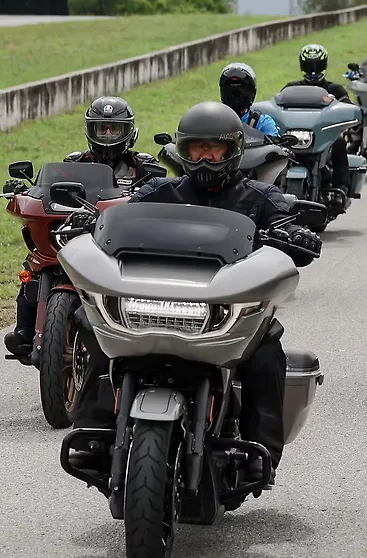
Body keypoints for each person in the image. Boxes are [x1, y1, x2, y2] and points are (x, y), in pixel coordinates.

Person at [66, 102, 322, 488]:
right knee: (92, 323)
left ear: (232, 151)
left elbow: (292, 228)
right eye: (195, 149)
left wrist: (298, 234)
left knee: (267, 344)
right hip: (152, 304)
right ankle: (92, 428)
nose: (205, 158)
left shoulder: (259, 198)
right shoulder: (159, 191)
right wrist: (95, 221)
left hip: (221, 310)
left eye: (214, 149)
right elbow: (118, 222)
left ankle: (262, 450)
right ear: (182, 152)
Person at [1, 96, 158, 358]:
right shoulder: (74, 163)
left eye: (114, 129)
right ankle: (24, 330)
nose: (107, 135)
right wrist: (25, 189)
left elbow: (160, 192)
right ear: (90, 130)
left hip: (121, 240)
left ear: (129, 131)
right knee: (34, 266)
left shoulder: (143, 166)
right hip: (78, 232)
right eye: (101, 129)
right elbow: (50, 190)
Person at [283, 43, 353, 214]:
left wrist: (345, 108)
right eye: (309, 65)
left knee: (339, 143)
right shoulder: (291, 88)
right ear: (302, 65)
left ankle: (342, 188)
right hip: (298, 135)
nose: (313, 70)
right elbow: (278, 106)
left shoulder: (335, 89)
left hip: (323, 136)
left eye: (317, 65)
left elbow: (348, 106)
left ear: (324, 64)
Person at [219, 62, 280, 137]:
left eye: (241, 90)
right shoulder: (215, 121)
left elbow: (275, 146)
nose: (236, 94)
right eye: (231, 90)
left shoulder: (262, 123)